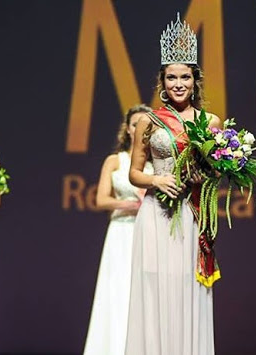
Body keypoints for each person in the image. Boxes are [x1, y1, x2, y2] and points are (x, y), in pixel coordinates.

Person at [125, 13, 221, 355]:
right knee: (155, 284)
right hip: (156, 214)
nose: (178, 84)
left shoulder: (210, 122)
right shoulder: (149, 122)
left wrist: (204, 175)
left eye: (184, 77)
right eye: (171, 78)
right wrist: (157, 179)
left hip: (191, 212)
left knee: (185, 286)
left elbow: (216, 171)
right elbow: (134, 173)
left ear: (195, 81)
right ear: (162, 82)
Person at [83, 104, 153, 355]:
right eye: (135, 124)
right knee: (118, 289)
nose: (140, 128)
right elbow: (101, 200)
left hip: (148, 233)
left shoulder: (157, 160)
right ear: (127, 128)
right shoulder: (115, 161)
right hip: (121, 231)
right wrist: (131, 204)